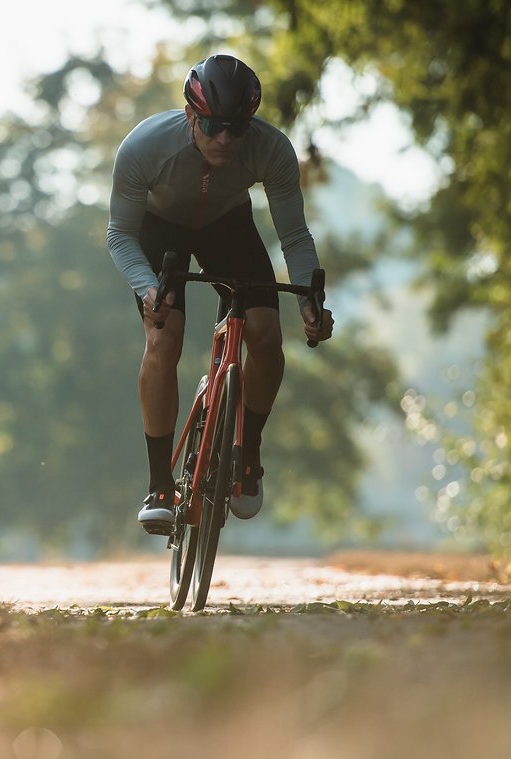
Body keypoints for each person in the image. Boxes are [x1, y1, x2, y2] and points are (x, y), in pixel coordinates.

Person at [106, 53, 334, 535]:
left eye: (237, 127)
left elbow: (294, 236)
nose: (225, 139)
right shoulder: (145, 148)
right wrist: (147, 289)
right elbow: (119, 234)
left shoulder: (271, 149)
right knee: (163, 339)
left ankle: (247, 455)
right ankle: (159, 484)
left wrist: (310, 301)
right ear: (191, 114)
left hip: (226, 227)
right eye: (212, 126)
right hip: (158, 230)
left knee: (267, 337)